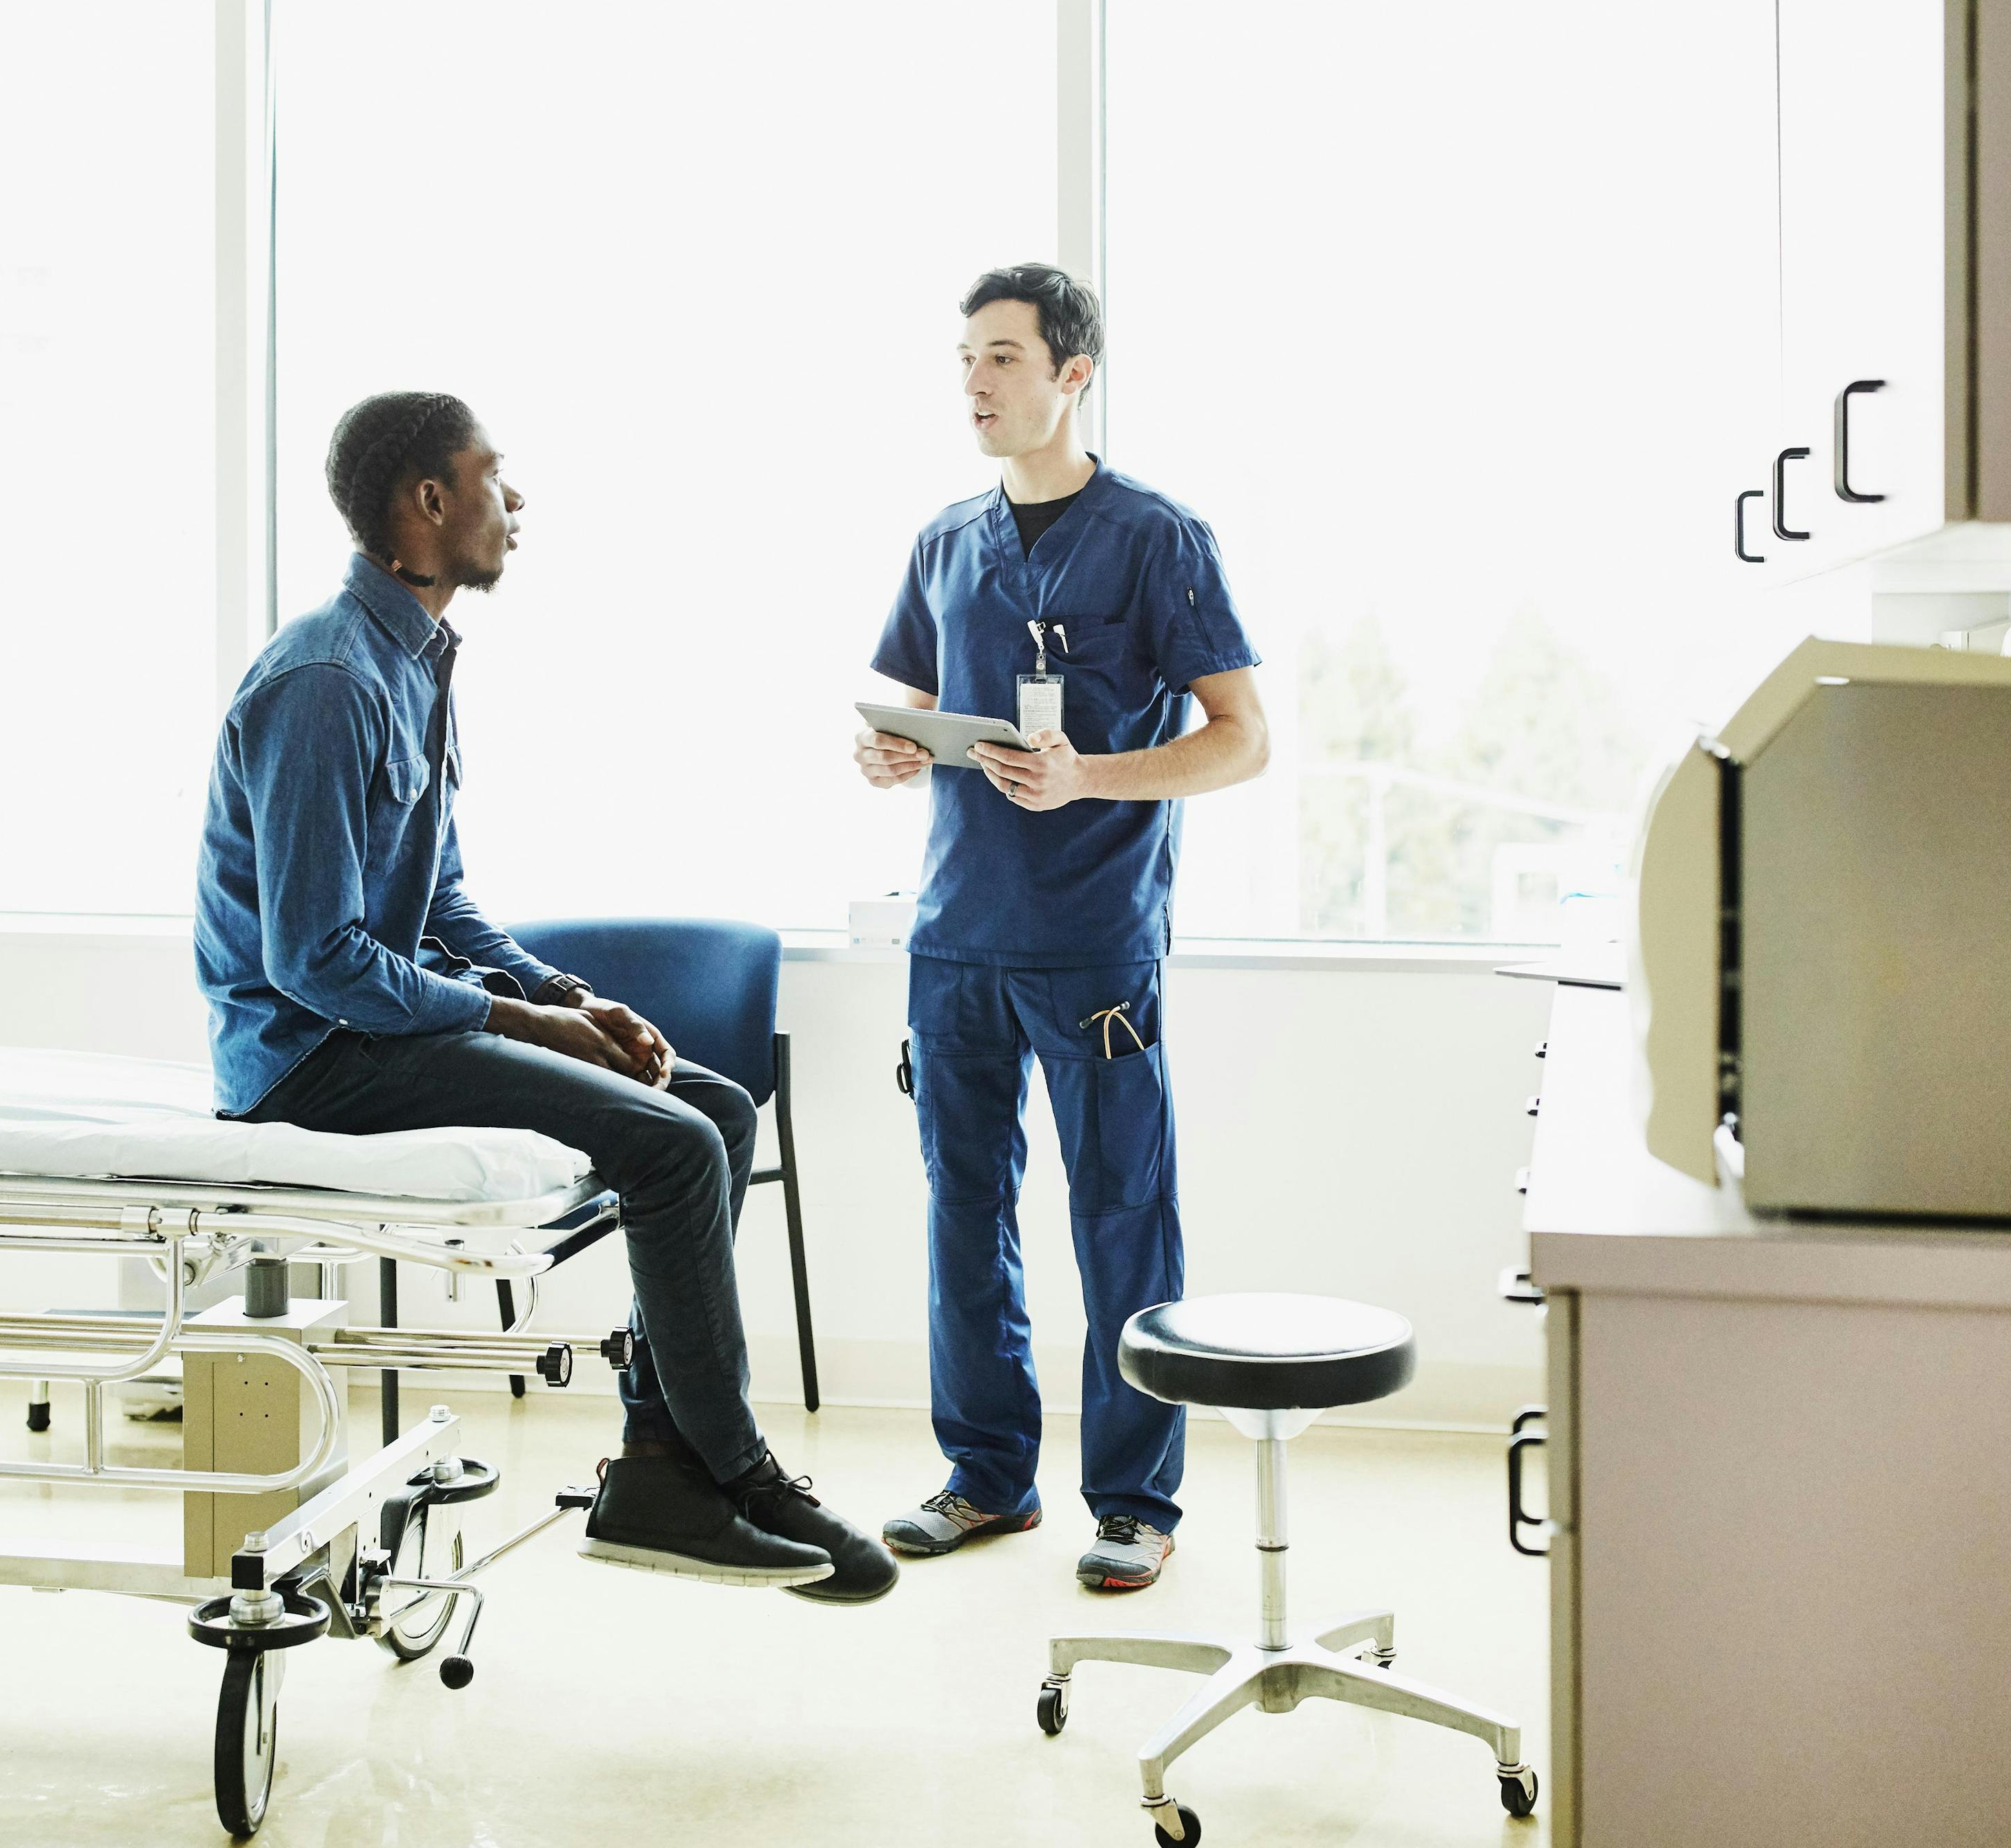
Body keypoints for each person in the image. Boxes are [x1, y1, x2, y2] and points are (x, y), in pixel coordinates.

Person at [197, 390, 892, 1602]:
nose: (514, 503)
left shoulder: (412, 659)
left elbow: (443, 905)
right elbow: (318, 961)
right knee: (673, 1151)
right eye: (491, 476)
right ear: (427, 501)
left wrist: (568, 995)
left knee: (713, 1109)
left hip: (372, 1028)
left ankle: (660, 1466)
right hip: (311, 1057)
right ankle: (733, 1471)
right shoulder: (326, 680)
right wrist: (523, 1022)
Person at [854, 266, 1267, 1591]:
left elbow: (1240, 741)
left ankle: (1136, 1500)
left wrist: (1092, 775)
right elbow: (907, 701)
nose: (976, 384)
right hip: (956, 943)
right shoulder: (944, 543)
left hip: (1094, 943)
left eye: (1004, 359)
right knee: (963, 1214)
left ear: (1072, 375)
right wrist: (891, 756)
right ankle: (986, 1478)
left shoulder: (1158, 539)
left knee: (1122, 1217)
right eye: (965, 360)